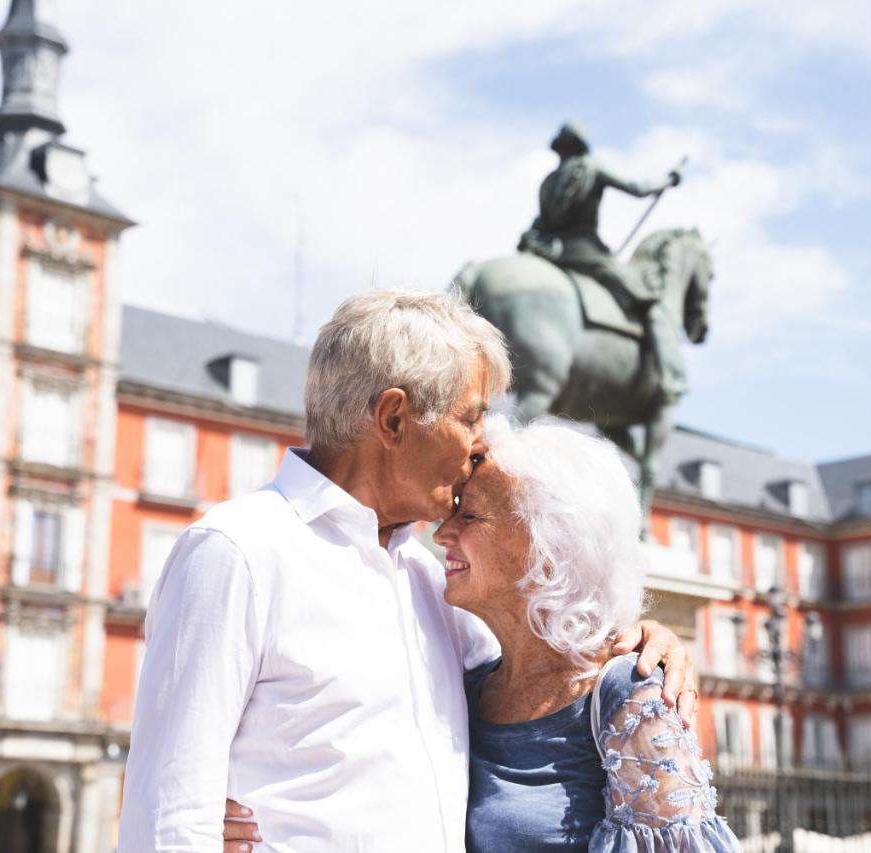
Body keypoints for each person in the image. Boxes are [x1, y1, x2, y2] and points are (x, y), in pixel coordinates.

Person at [119, 289, 696, 852]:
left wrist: (641, 639)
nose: (480, 445)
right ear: (394, 418)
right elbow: (172, 809)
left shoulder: (432, 582)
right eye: (471, 418)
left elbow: (541, 669)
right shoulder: (237, 552)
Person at [434, 417, 740, 852]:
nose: (442, 532)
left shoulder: (628, 693)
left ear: (546, 544)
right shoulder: (466, 684)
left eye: (469, 516)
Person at [519, 121, 686, 401]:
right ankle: (672, 377)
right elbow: (639, 188)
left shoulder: (548, 182)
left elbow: (543, 222)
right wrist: (670, 178)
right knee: (650, 302)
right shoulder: (592, 167)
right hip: (585, 253)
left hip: (551, 253)